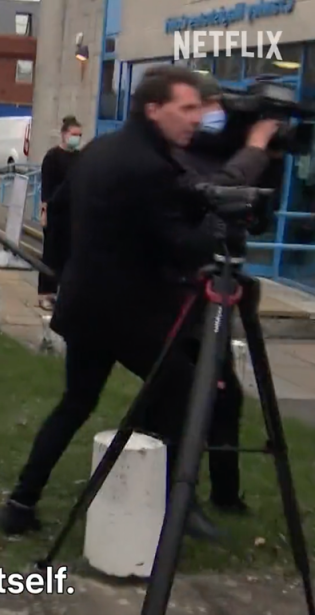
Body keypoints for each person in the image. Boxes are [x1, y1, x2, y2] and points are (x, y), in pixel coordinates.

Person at [0, 65, 234, 538]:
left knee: (78, 401)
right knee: (191, 388)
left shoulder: (99, 151)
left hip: (86, 305)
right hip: (127, 313)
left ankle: (21, 503)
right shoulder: (151, 167)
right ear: (153, 109)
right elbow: (181, 246)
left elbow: (58, 212)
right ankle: (174, 501)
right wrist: (220, 228)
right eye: (185, 108)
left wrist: (66, 271)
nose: (195, 118)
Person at [169, 72, 281, 520]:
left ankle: (225, 493)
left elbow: (255, 220)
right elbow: (209, 195)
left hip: (223, 282)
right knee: (188, 395)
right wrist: (253, 150)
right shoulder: (181, 155)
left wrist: (263, 158)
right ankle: (183, 499)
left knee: (226, 396)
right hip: (187, 290)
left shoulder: (234, 154)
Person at [36, 116, 82, 310]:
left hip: (73, 214)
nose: (77, 138)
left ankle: (65, 293)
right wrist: (44, 210)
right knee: (51, 254)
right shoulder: (52, 157)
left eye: (79, 135)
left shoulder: (80, 158)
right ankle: (46, 293)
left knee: (69, 255)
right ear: (64, 135)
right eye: (74, 134)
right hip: (56, 213)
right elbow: (46, 187)